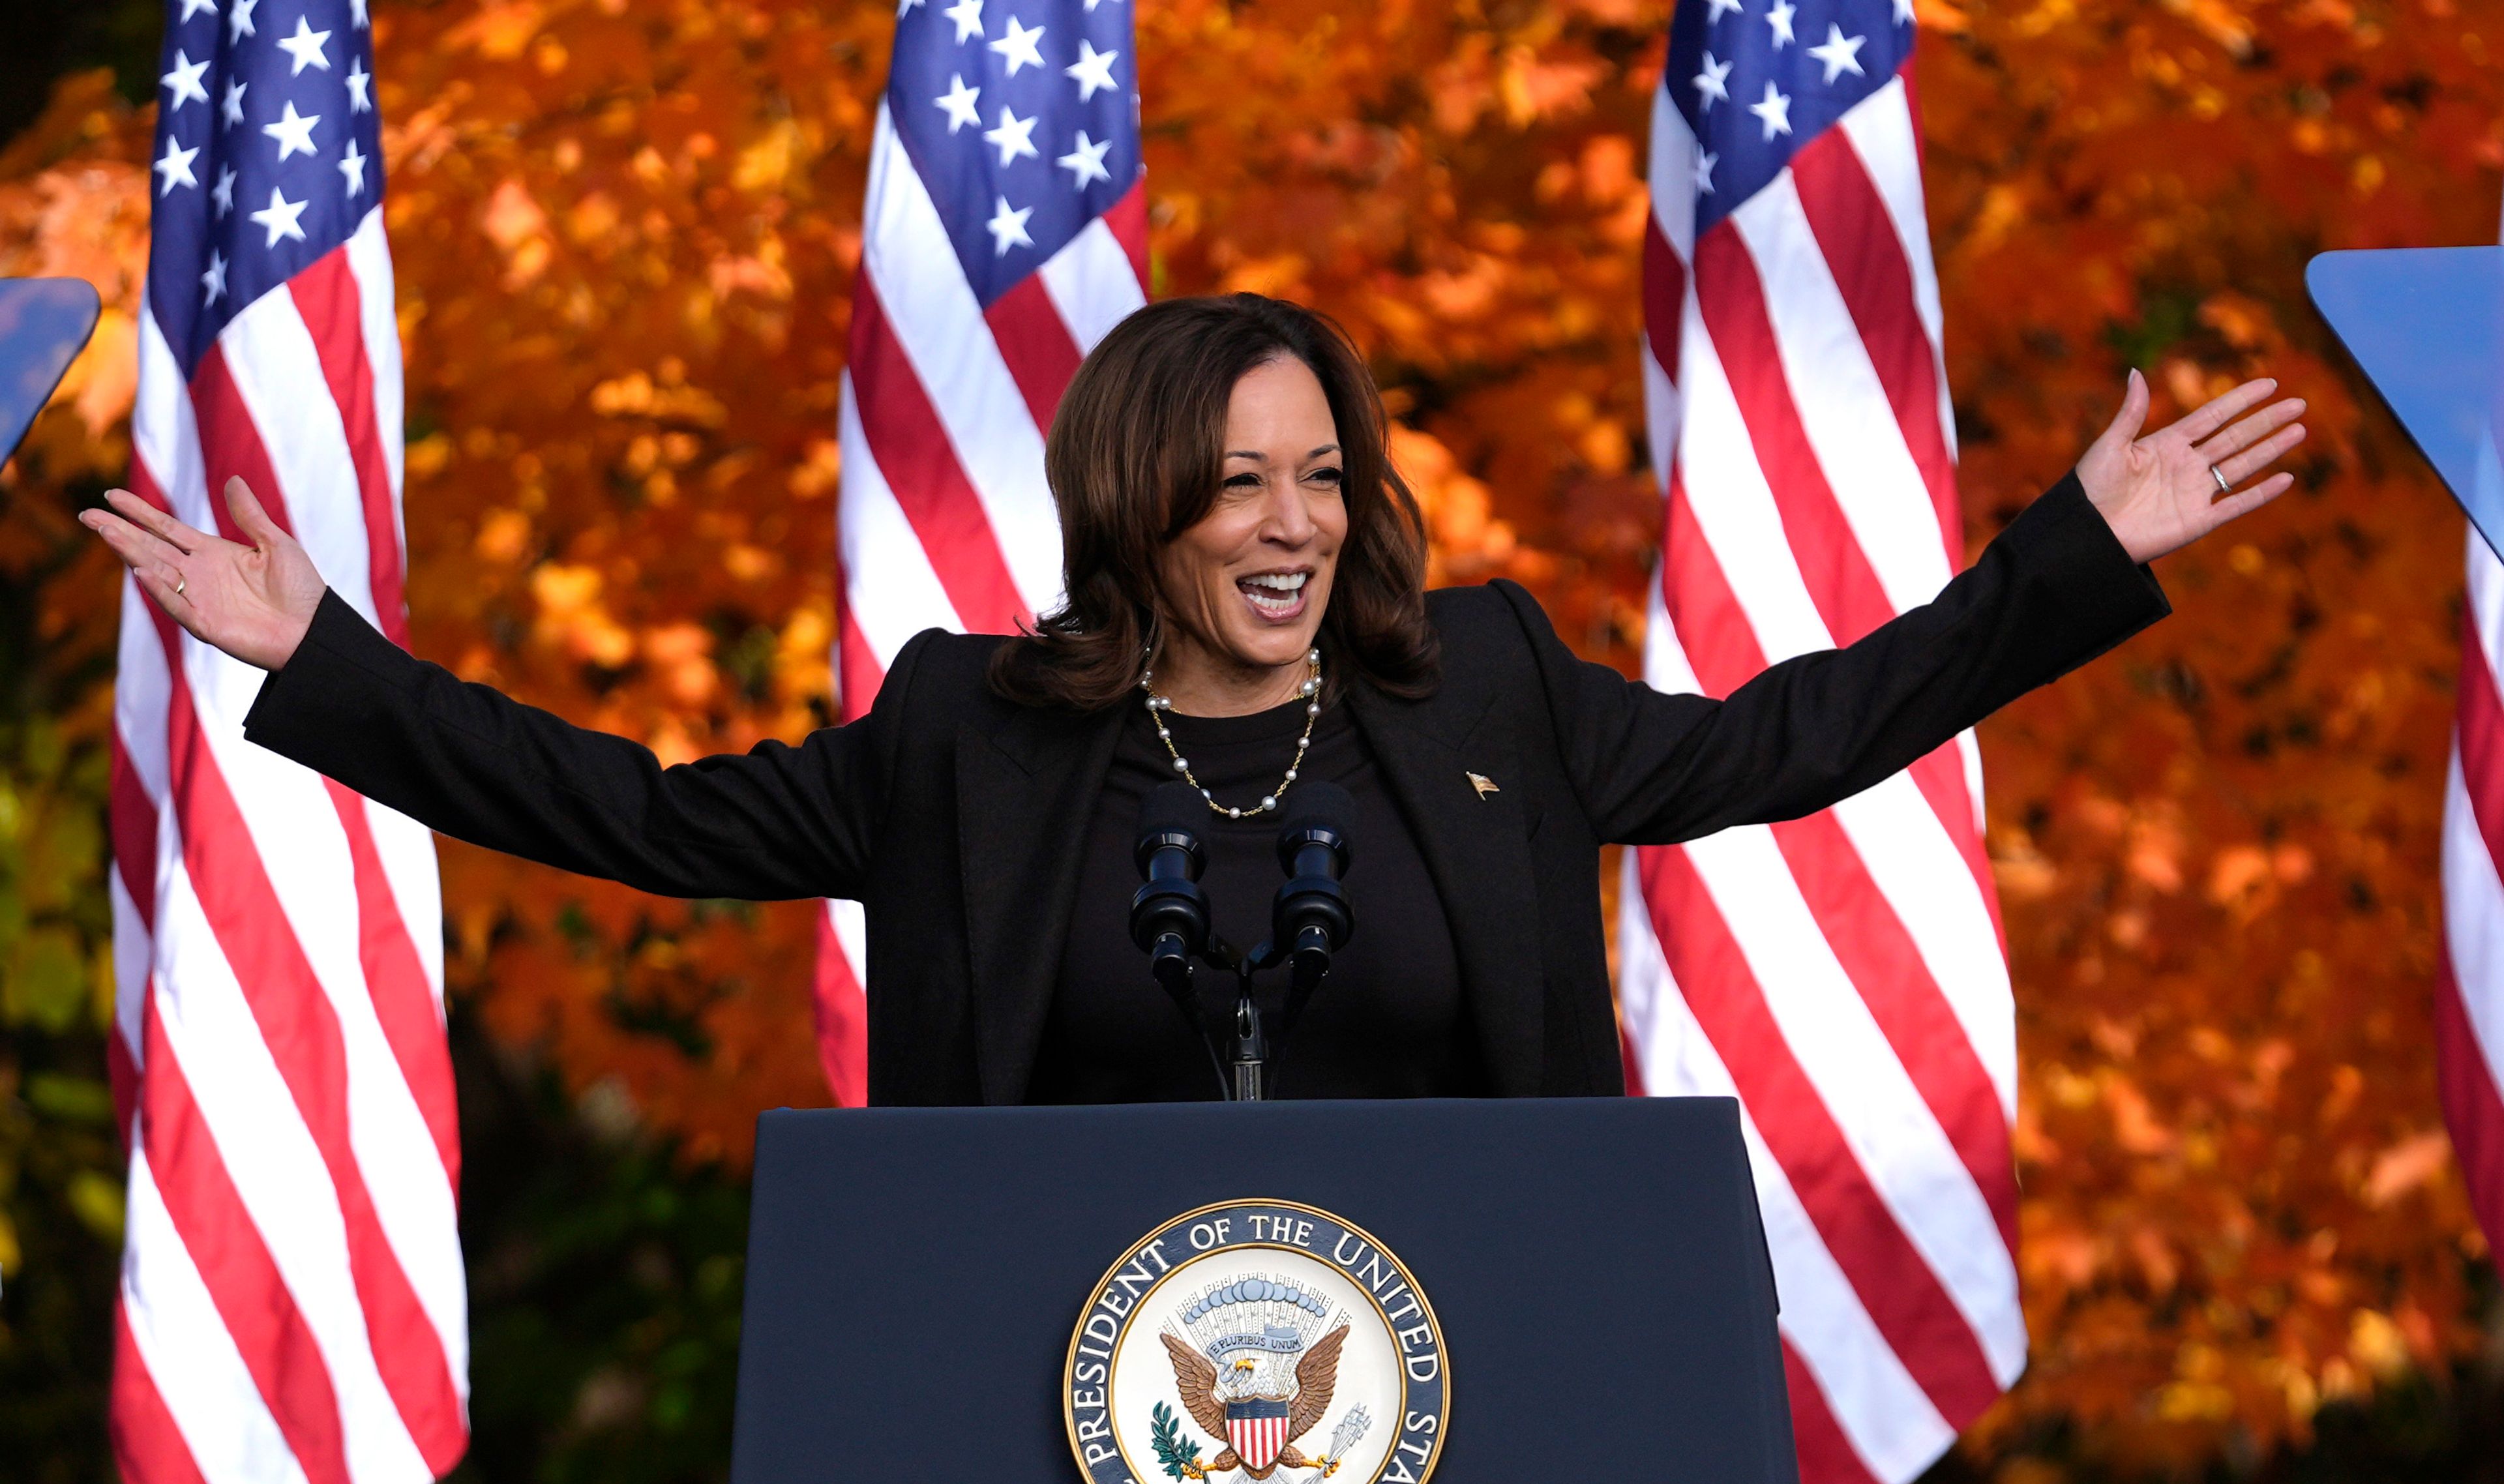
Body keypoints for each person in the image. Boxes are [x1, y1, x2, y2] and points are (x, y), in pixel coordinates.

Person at [81, 293, 2304, 1106]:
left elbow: (1792, 740)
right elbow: (647, 817)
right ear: (1136, 505)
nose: (1294, 523)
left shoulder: (1493, 688)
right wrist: (324, 663)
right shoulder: (973, 730)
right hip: (1065, 1432)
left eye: (1324, 476)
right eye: (1237, 479)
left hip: (1459, 1419)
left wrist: (2072, 553)